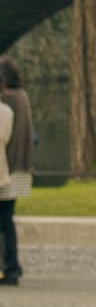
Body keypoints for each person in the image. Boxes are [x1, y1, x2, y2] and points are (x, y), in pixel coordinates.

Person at [0, 56, 30, 285]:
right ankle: (12, 265)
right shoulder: (22, 97)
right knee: (7, 218)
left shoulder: (7, 101)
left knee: (4, 221)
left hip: (6, 169)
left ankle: (8, 267)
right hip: (21, 167)